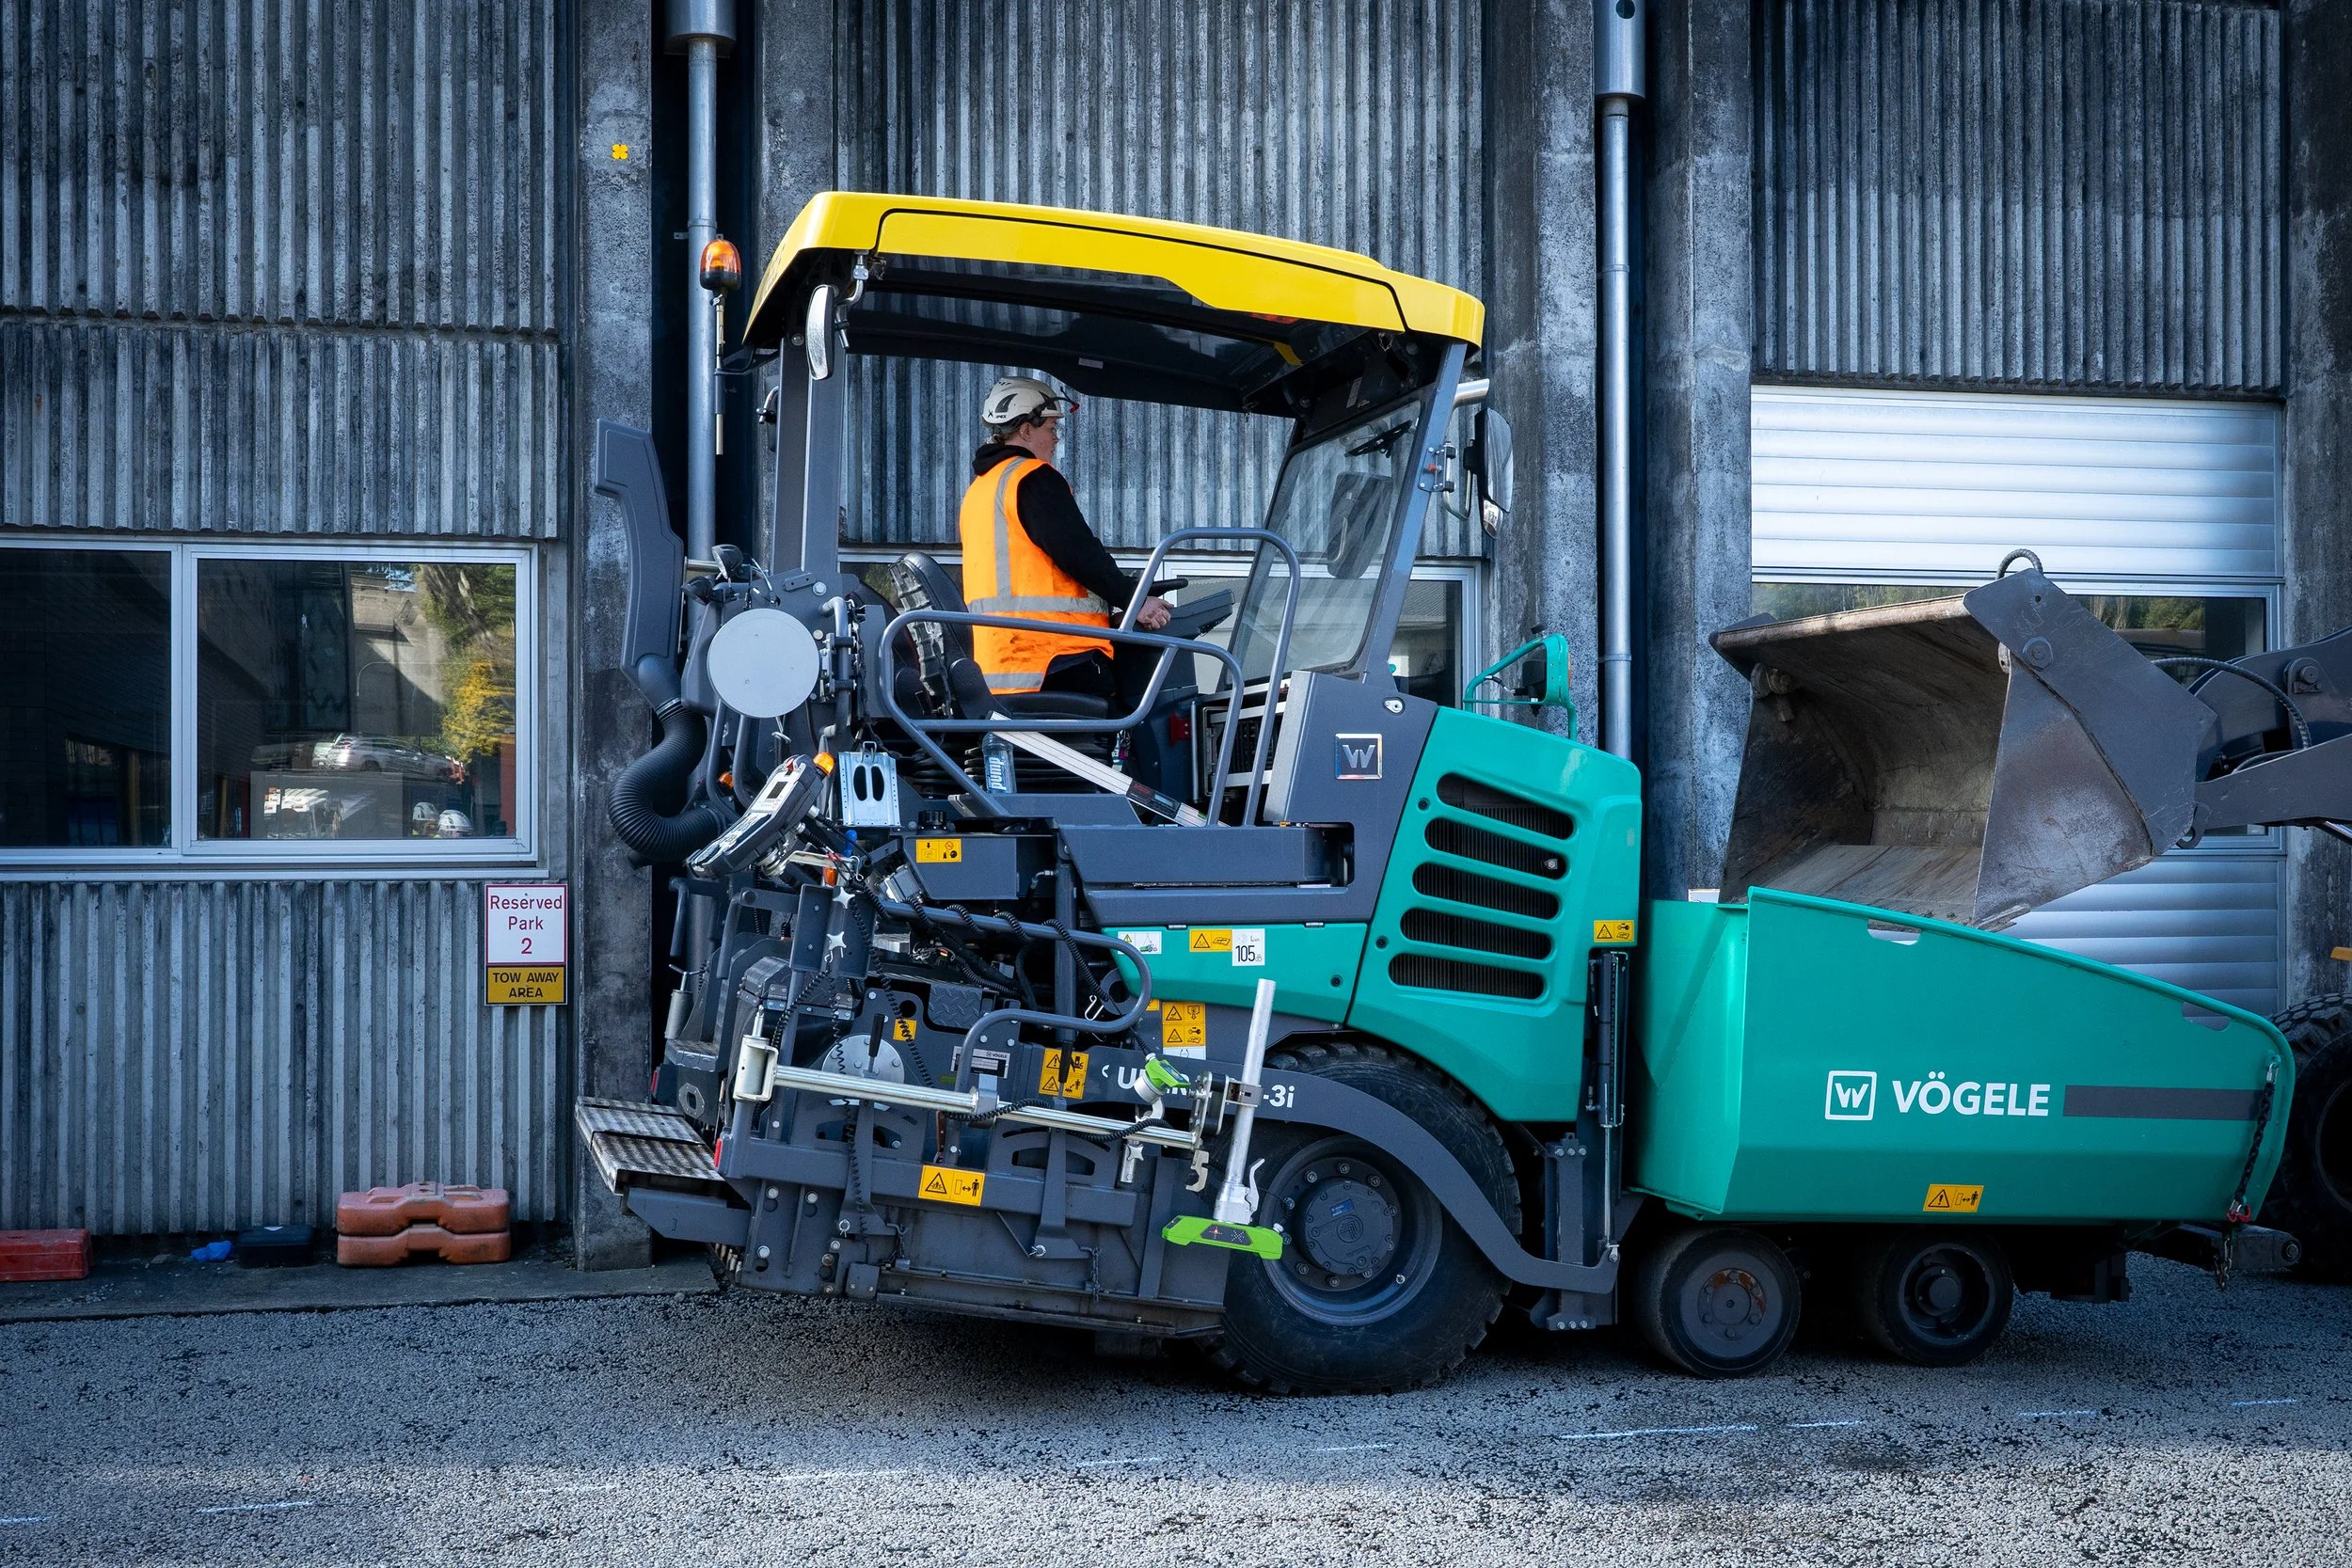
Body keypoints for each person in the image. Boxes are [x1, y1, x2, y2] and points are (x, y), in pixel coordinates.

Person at [958, 375, 1171, 700]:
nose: (1056, 439)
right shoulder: (1032, 479)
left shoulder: (980, 490)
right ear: (1026, 430)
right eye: (1051, 429)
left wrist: (1111, 611)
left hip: (1001, 664)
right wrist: (1135, 599)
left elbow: (1034, 575)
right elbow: (1079, 554)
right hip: (1053, 658)